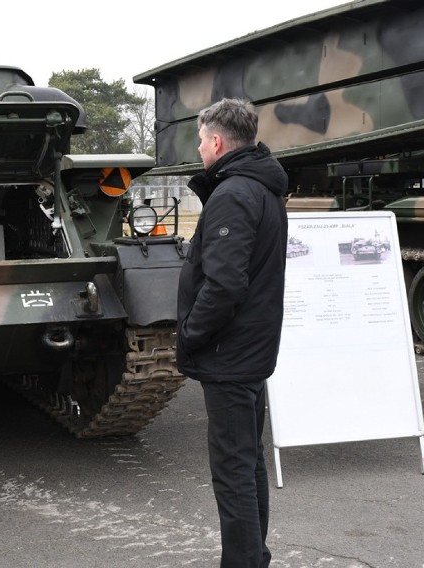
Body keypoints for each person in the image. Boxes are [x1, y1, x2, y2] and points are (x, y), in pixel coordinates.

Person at [175, 98, 288, 567]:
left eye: (201, 141)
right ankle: (253, 557)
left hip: (231, 352)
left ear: (217, 141)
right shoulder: (261, 188)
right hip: (250, 349)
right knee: (248, 460)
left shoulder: (234, 194)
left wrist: (192, 334)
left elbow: (224, 284)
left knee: (234, 468)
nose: (199, 149)